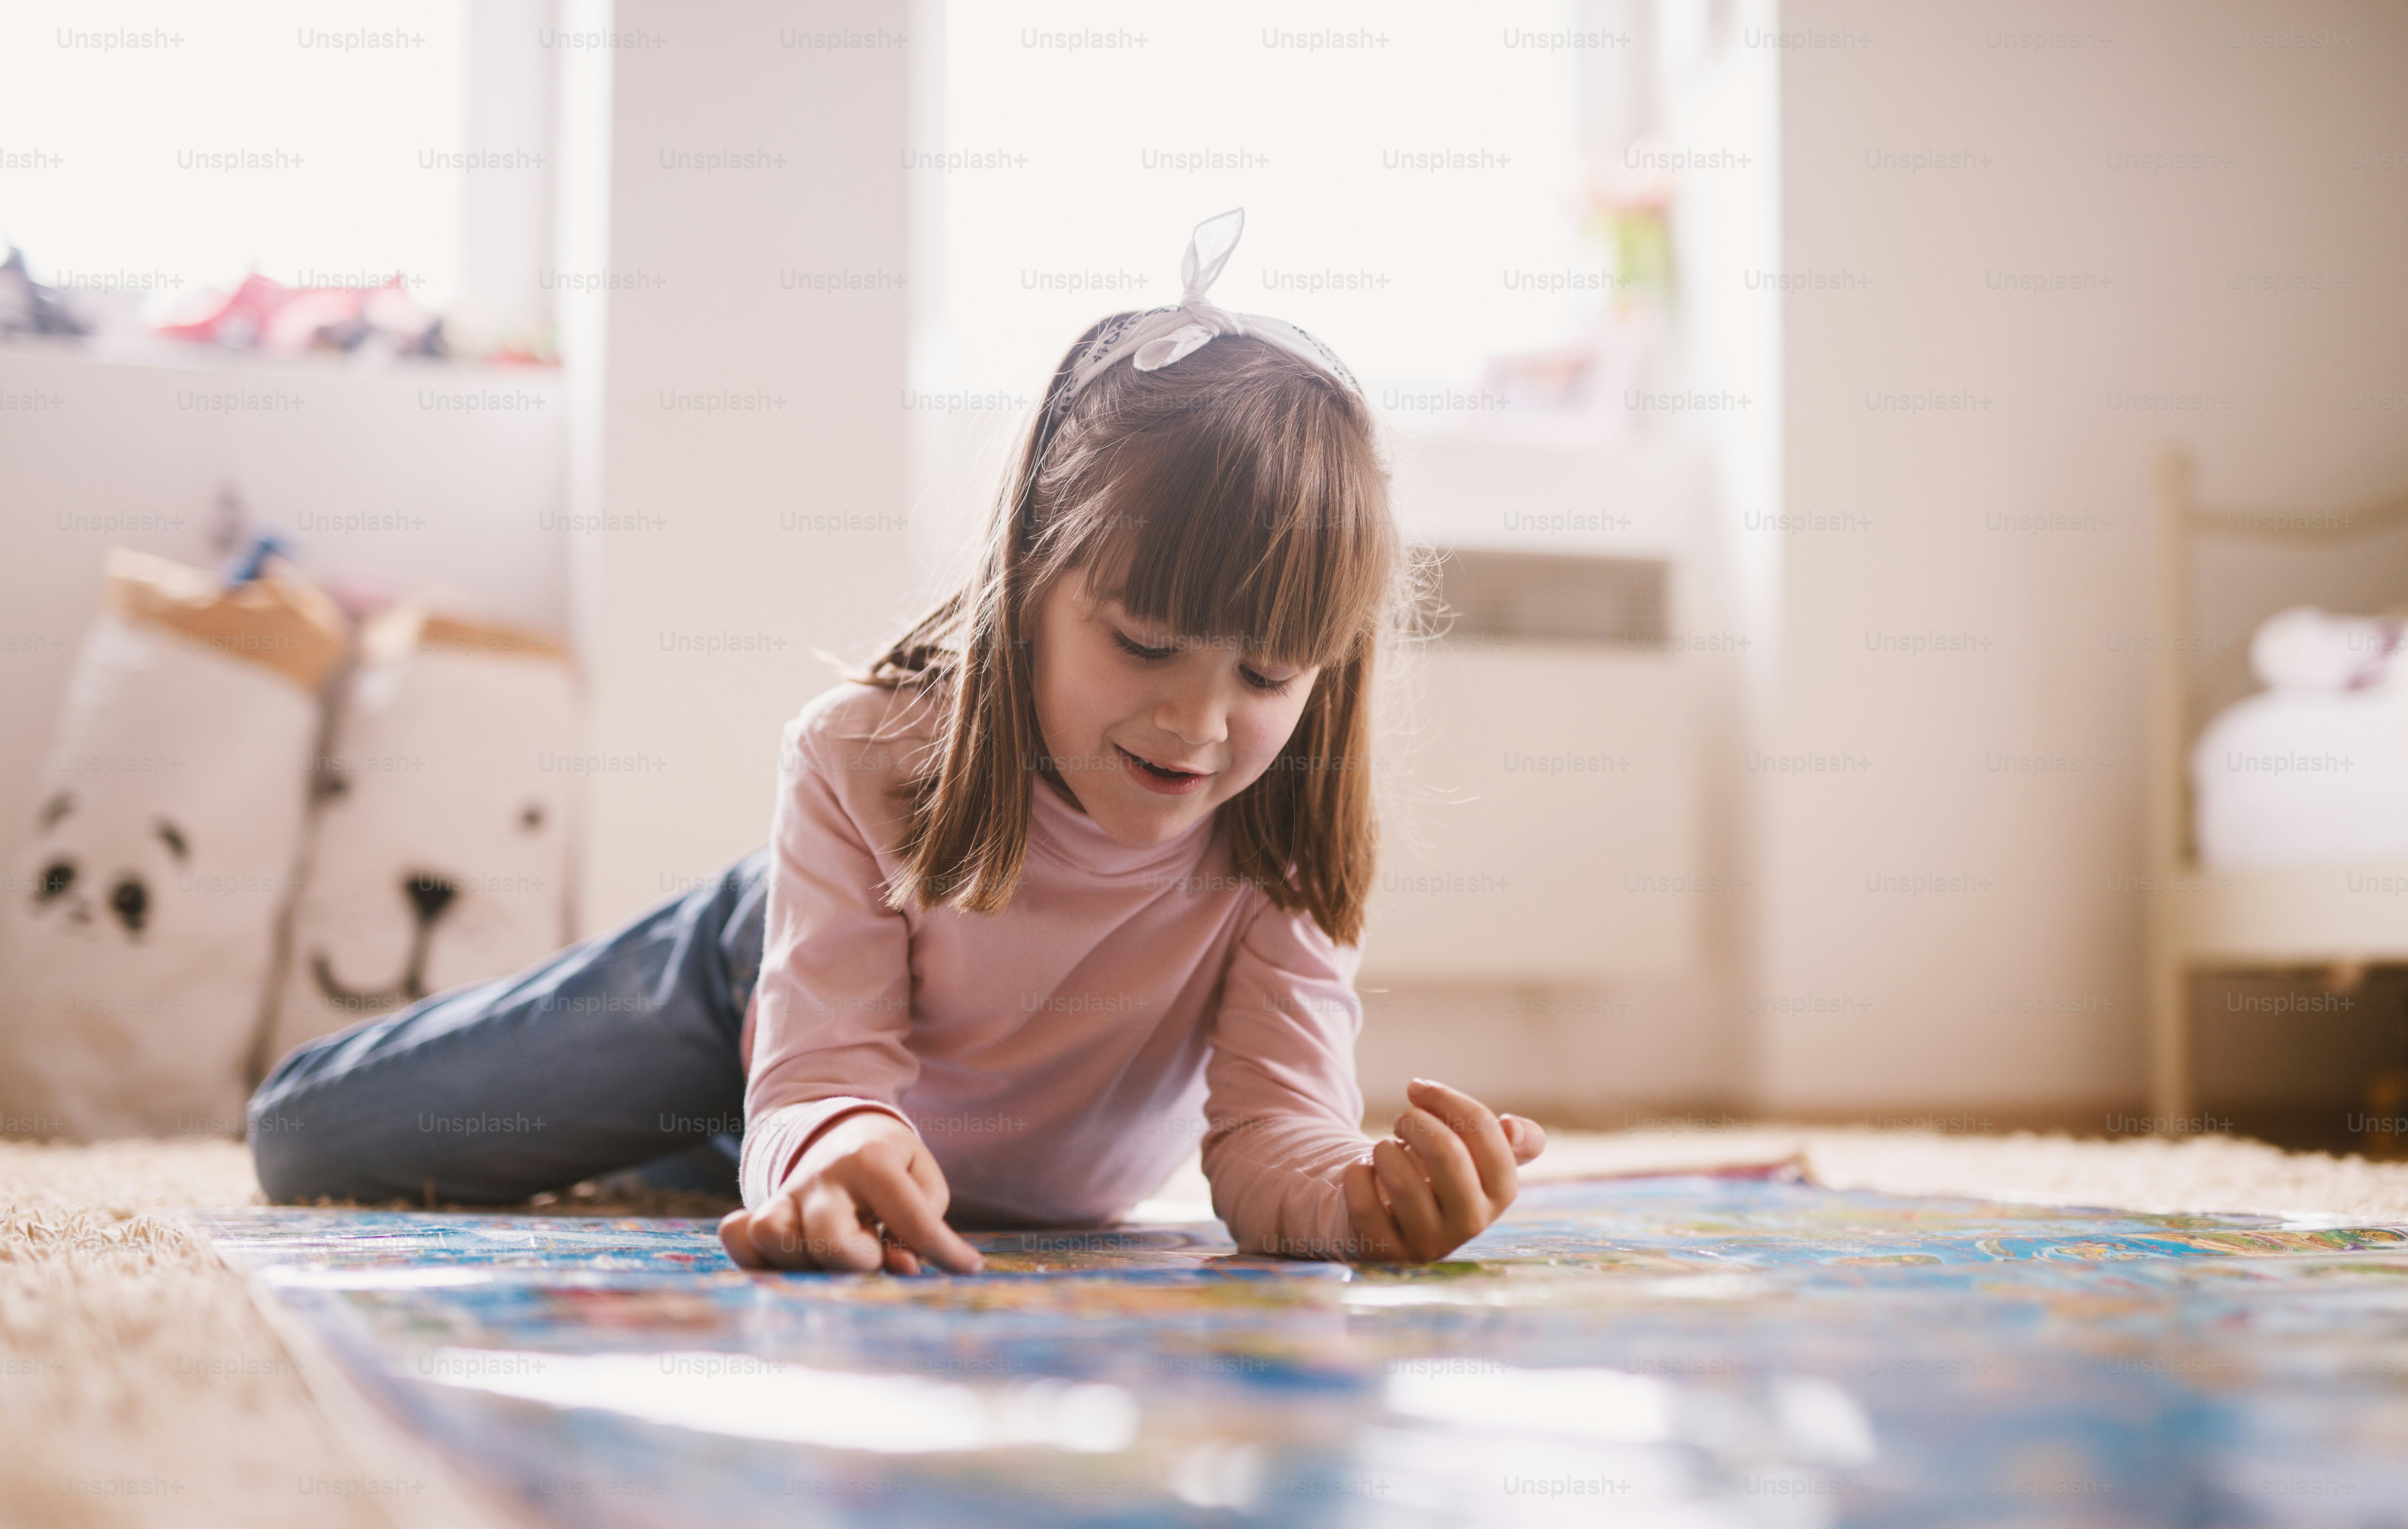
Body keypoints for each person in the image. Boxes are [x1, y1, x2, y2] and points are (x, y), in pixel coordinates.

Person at [249, 211, 1547, 1273]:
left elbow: (1275, 1143)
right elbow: (825, 1059)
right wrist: (813, 1129)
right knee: (312, 1141)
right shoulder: (860, 757)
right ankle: (749, 1136)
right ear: (1031, 581)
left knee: (723, 1163)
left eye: (1266, 674)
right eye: (1143, 644)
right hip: (750, 988)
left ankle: (730, 1150)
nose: (1198, 723)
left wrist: (1364, 1203)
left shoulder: (1281, 839)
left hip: (856, 1100)